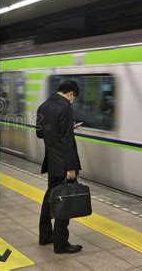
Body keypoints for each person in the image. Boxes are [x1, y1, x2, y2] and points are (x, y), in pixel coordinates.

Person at [36, 80, 82, 254]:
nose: (72, 101)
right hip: (64, 164)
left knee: (50, 198)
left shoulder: (43, 106)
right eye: (73, 98)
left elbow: (40, 133)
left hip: (52, 162)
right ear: (70, 93)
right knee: (65, 201)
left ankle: (45, 236)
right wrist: (71, 168)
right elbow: (67, 141)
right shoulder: (65, 108)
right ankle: (61, 244)